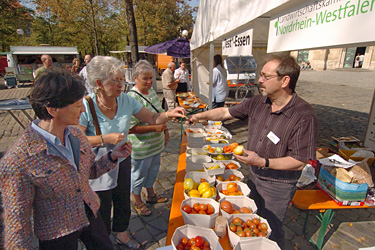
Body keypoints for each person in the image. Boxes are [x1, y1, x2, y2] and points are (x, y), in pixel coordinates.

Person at [188, 53, 318, 249]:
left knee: (270, 229)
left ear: (285, 81)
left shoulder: (303, 115)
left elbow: (300, 161)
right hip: (253, 177)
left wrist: (263, 162)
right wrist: (199, 116)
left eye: (266, 76)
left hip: (278, 186)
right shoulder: (258, 102)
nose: (259, 80)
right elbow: (225, 112)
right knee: (251, 222)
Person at [0, 68, 132, 250]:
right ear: (53, 109)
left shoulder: (76, 134)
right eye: (78, 105)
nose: (84, 109)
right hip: (57, 233)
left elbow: (89, 172)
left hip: (90, 214)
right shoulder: (19, 160)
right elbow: (17, 225)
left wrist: (112, 157)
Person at [77, 56, 185, 249]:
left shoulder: (126, 100)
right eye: (115, 81)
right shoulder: (87, 105)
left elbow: (152, 117)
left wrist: (168, 114)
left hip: (122, 159)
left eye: (121, 79)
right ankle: (101, 241)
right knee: (101, 206)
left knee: (122, 201)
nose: (121, 85)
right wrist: (105, 139)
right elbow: (76, 139)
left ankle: (122, 234)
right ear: (99, 83)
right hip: (97, 166)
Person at [127, 60, 169, 217]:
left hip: (155, 145)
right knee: (138, 175)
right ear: (135, 78)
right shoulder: (131, 98)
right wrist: (154, 128)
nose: (150, 81)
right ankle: (138, 201)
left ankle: (150, 195)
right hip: (142, 148)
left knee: (153, 170)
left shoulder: (151, 92)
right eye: (145, 78)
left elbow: (157, 114)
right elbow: (130, 128)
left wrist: (165, 131)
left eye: (151, 77)